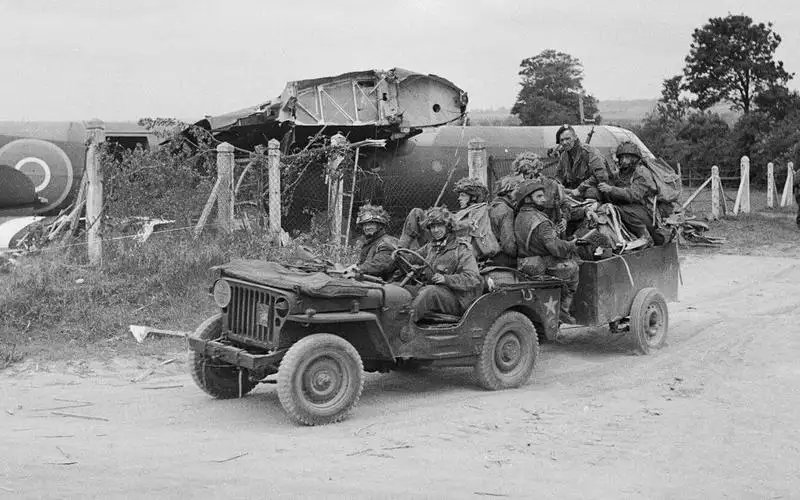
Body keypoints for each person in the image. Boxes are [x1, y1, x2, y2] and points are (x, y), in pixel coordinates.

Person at [514, 180, 586, 324]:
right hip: (540, 264)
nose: (544, 199)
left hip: (523, 263)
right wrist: (571, 244)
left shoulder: (520, 216)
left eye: (543, 196)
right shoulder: (542, 222)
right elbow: (555, 248)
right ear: (528, 199)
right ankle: (563, 311)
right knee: (573, 268)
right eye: (539, 196)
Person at [409, 207, 483, 323]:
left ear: (448, 227)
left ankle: (406, 327)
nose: (436, 230)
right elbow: (414, 257)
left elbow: (473, 278)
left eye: (439, 226)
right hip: (435, 292)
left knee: (430, 292)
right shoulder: (431, 246)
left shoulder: (461, 249)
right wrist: (399, 254)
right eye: (432, 227)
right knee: (404, 290)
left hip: (457, 299)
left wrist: (446, 279)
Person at [597, 141, 659, 245]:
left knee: (622, 210)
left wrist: (611, 189)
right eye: (622, 157)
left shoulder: (641, 173)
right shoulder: (619, 174)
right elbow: (611, 192)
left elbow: (633, 195)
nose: (623, 161)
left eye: (627, 157)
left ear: (634, 159)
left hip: (645, 212)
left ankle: (645, 237)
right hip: (629, 209)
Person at [512, 151, 570, 234]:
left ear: (537, 170)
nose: (526, 176)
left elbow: (565, 204)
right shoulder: (517, 188)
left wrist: (564, 219)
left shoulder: (551, 185)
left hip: (551, 233)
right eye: (523, 173)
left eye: (529, 172)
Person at [555, 125, 614, 201]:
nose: (564, 142)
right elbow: (558, 176)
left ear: (575, 137)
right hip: (575, 192)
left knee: (591, 192)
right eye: (562, 140)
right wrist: (558, 185)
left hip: (597, 192)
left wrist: (580, 189)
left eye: (567, 139)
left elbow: (601, 176)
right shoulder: (564, 156)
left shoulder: (590, 152)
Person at [451, 177, 499, 261]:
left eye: (463, 195)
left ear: (473, 197)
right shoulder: (468, 210)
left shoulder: (480, 209)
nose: (459, 198)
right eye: (459, 195)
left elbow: (474, 228)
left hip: (473, 255)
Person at [346, 204, 398, 281]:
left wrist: (356, 269)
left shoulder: (386, 242)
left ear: (379, 225)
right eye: (364, 225)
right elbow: (365, 264)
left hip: (388, 285)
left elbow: (379, 265)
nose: (366, 228)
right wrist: (354, 266)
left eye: (370, 224)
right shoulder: (371, 243)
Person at [487, 175, 519, 267]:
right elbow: (508, 246)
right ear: (509, 192)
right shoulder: (506, 210)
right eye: (517, 190)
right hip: (501, 258)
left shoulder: (492, 206)